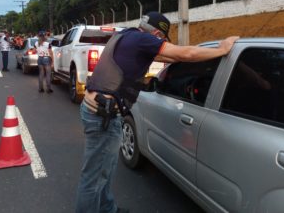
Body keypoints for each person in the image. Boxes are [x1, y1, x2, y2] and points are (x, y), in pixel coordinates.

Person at [75, 11, 239, 213]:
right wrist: (223, 49)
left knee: (104, 171)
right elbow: (184, 54)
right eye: (161, 38)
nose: (161, 42)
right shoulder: (143, 40)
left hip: (100, 112)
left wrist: (200, 53)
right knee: (93, 177)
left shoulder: (127, 36)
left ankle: (107, 208)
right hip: (102, 116)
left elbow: (169, 55)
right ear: (157, 35)